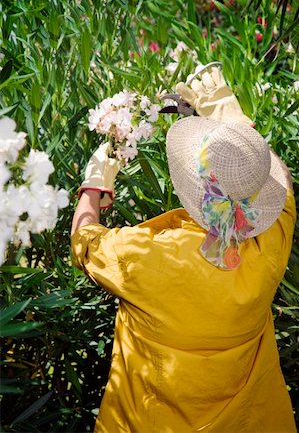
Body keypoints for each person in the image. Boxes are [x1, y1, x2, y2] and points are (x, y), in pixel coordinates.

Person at [71, 65, 297, 433]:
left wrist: (94, 185)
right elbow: (282, 183)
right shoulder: (270, 242)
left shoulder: (149, 257)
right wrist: (238, 127)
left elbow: (85, 241)